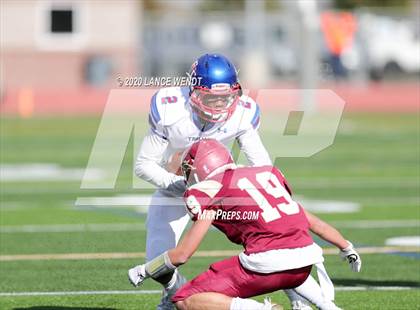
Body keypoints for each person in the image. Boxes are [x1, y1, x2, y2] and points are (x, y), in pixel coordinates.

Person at [134, 53, 359, 309]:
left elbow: (261, 164)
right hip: (176, 185)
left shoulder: (243, 111)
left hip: (221, 187)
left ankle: (298, 296)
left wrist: (257, 194)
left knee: (273, 235)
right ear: (194, 91)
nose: (219, 104)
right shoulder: (170, 106)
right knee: (157, 260)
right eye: (211, 97)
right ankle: (173, 291)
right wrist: (186, 188)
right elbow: (144, 165)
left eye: (225, 97)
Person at [129, 139, 361, 310]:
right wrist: (346, 246)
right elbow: (311, 221)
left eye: (189, 170)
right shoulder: (263, 174)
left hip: (265, 265)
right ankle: (328, 307)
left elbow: (182, 255)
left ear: (199, 168)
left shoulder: (211, 190)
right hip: (303, 268)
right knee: (286, 257)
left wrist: (145, 269)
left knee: (184, 300)